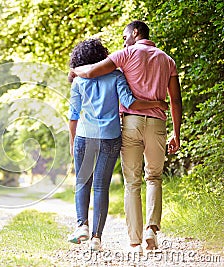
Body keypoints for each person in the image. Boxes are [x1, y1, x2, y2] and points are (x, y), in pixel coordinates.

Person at [69, 20, 182, 253]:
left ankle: (132, 241)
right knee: (153, 178)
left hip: (123, 125)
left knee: (130, 182)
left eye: (124, 36)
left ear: (135, 33)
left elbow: (86, 80)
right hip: (150, 125)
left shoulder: (123, 56)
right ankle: (149, 229)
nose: (123, 40)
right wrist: (175, 132)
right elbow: (175, 100)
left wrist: (74, 71)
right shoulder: (166, 60)